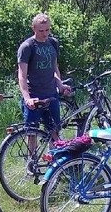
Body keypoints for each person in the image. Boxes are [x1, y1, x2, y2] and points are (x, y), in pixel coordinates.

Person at [17, 13, 71, 142]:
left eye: (47, 29)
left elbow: (54, 69)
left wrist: (61, 85)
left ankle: (54, 160)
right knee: (32, 132)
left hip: (51, 94)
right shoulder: (27, 47)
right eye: (41, 30)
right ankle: (32, 160)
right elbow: (22, 76)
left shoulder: (53, 43)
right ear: (33, 28)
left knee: (55, 131)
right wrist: (27, 98)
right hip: (34, 95)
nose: (45, 33)